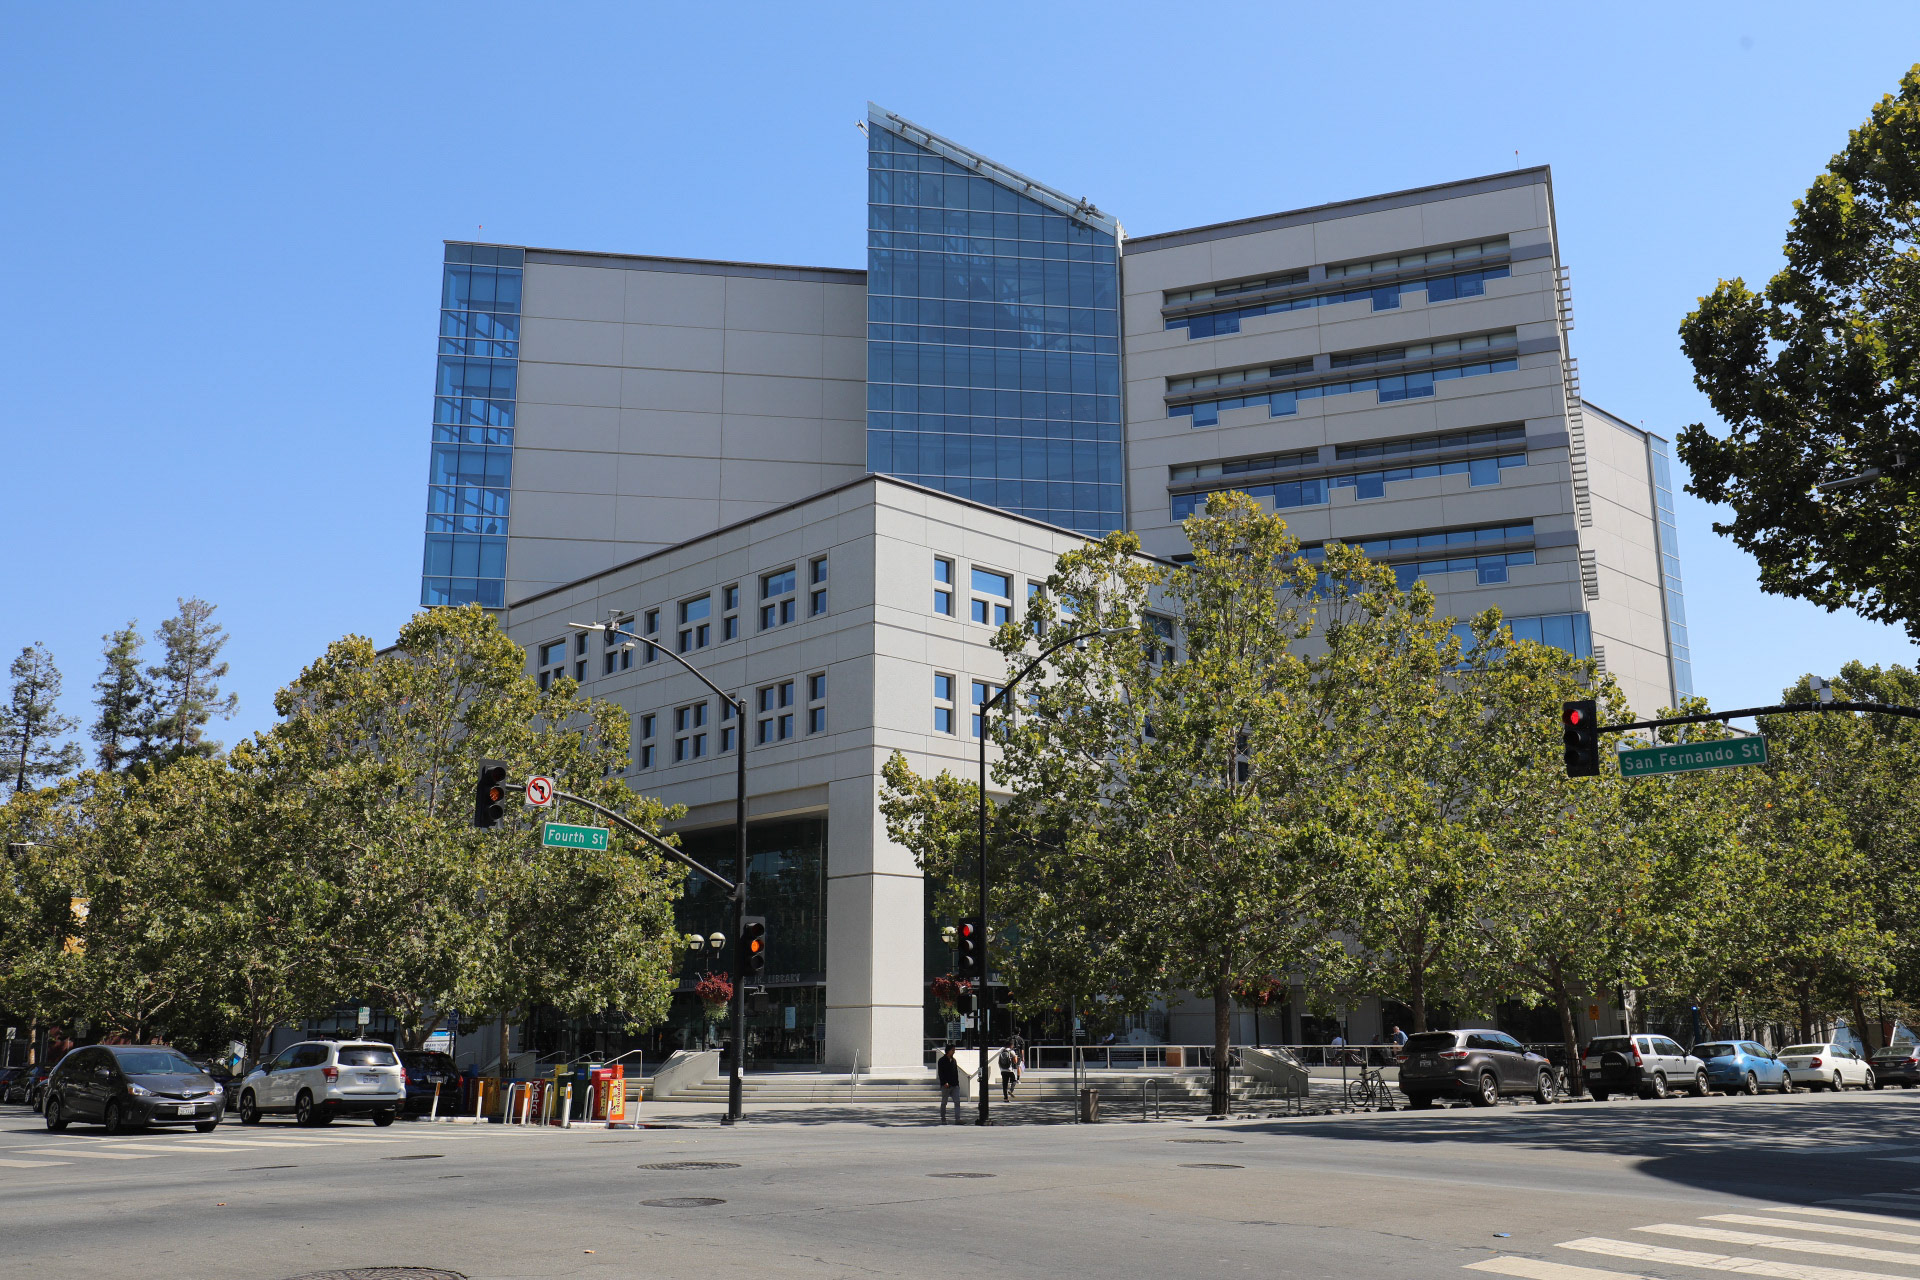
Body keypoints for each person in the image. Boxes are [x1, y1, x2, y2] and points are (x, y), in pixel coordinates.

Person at [936, 1044, 962, 1124]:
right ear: (948, 1051)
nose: (954, 1052)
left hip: (954, 1085)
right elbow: (941, 1073)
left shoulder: (954, 1060)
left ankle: (957, 1119)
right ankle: (943, 1119)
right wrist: (944, 1082)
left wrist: (957, 1084)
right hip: (946, 1085)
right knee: (944, 1102)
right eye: (952, 1050)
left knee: (957, 1102)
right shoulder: (941, 1061)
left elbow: (955, 1073)